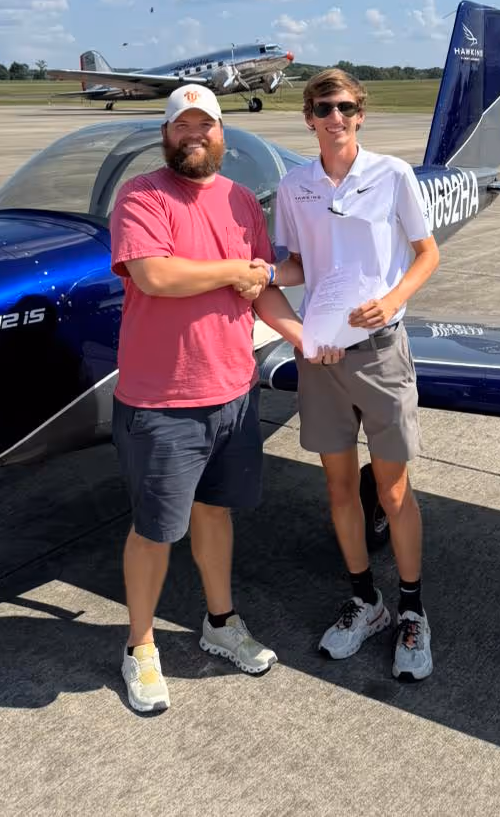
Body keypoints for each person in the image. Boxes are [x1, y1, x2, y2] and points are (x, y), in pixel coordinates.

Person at [109, 83, 307, 713]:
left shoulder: (242, 200)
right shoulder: (141, 196)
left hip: (234, 391)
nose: (194, 135)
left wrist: (301, 336)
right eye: (181, 126)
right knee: (154, 530)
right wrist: (234, 269)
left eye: (206, 125)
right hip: (162, 398)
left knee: (215, 513)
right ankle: (139, 647)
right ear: (165, 134)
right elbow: (156, 275)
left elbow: (262, 285)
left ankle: (220, 623)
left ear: (223, 133)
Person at [269, 68, 440, 682]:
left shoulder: (393, 174)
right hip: (322, 358)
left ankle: (414, 611)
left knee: (392, 493)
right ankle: (366, 601)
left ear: (360, 114)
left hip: (380, 350)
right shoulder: (295, 186)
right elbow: (294, 266)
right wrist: (251, 273)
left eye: (343, 106)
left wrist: (392, 301)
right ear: (309, 118)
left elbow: (427, 254)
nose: (333, 117)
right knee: (340, 490)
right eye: (321, 108)